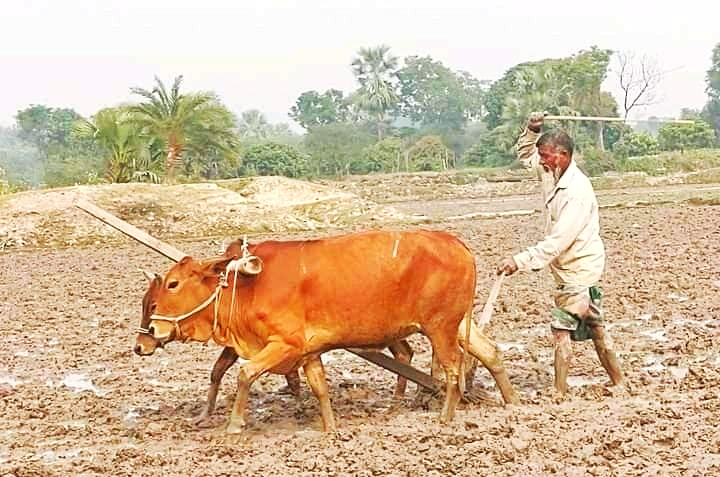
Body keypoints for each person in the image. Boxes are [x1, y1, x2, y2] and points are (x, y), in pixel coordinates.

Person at [497, 112, 624, 395]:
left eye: (546, 155)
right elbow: (525, 152)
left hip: (579, 266)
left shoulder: (576, 191)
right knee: (596, 327)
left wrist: (518, 261)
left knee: (560, 330)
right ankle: (619, 382)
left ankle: (560, 392)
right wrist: (533, 128)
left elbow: (557, 242)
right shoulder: (550, 170)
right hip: (570, 267)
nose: (540, 160)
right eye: (541, 155)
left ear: (563, 155)